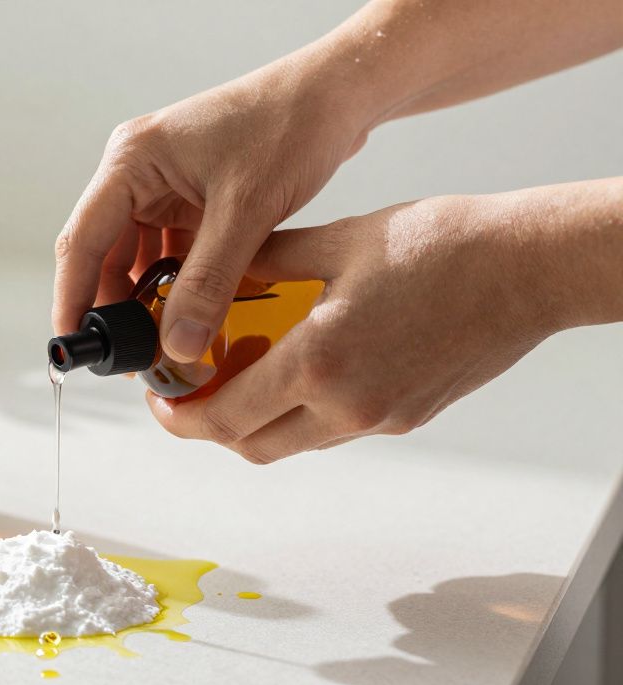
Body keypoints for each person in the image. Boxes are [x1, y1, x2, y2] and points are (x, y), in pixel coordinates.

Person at [52, 0, 623, 464]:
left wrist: (519, 273)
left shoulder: (166, 305)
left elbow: (520, 273)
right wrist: (322, 89)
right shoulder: (162, 308)